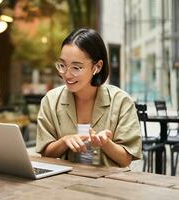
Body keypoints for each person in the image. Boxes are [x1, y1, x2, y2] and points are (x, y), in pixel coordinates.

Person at [36, 28, 142, 167]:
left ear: (97, 67)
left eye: (76, 67)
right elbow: (45, 153)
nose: (66, 75)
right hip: (64, 182)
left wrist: (105, 144)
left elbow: (126, 159)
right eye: (62, 65)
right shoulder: (51, 100)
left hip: (110, 184)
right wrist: (64, 141)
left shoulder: (121, 101)